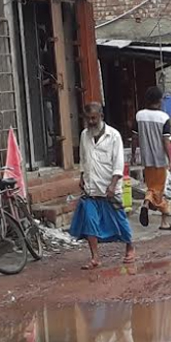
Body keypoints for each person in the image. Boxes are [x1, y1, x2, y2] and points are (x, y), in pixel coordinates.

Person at [70, 102, 135, 270]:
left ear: (101, 117)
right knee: (90, 221)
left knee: (120, 220)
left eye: (94, 118)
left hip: (109, 188)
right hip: (91, 188)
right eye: (88, 119)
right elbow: (84, 159)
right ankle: (95, 257)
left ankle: (129, 247)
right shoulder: (84, 135)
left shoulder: (114, 136)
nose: (91, 122)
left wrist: (113, 185)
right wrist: (82, 176)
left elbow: (118, 164)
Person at [137, 86, 171, 232]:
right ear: (160, 101)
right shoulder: (163, 118)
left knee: (154, 187)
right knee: (163, 189)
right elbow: (166, 141)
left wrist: (134, 153)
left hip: (146, 160)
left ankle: (163, 220)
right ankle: (148, 203)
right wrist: (170, 160)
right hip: (160, 160)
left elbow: (134, 137)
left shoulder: (139, 116)